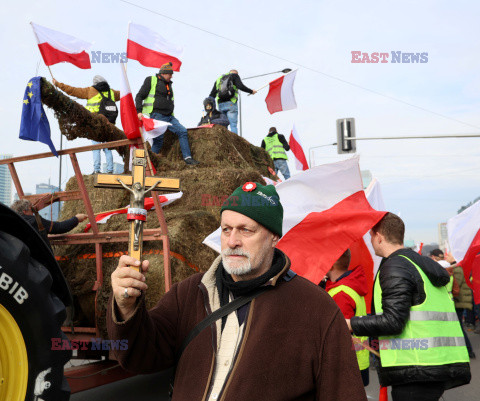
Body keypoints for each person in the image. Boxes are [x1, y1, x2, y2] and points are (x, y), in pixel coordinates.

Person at [107, 182, 367, 401]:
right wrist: (127, 309)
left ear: (274, 236)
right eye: (226, 229)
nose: (232, 241)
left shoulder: (315, 309)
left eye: (246, 230)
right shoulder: (189, 293)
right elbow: (140, 356)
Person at [347, 213, 471, 401]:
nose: (371, 242)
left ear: (379, 236)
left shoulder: (395, 266)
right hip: (435, 362)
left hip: (415, 368)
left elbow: (393, 321)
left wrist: (350, 324)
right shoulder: (419, 263)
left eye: (371, 236)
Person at [321, 249, 369, 386]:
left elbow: (338, 333)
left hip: (346, 363)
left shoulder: (340, 293)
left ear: (331, 266)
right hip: (357, 360)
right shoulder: (349, 287)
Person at [135, 62, 199, 165]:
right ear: (164, 73)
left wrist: (172, 115)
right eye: (170, 74)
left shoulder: (169, 85)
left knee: (182, 131)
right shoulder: (151, 80)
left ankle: (187, 158)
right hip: (157, 116)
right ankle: (148, 164)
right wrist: (139, 111)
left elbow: (171, 102)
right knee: (158, 141)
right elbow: (139, 96)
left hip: (170, 117)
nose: (171, 76)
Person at [53, 75, 119, 174]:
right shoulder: (112, 92)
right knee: (108, 148)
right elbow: (125, 94)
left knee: (96, 149)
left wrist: (58, 84)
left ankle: (97, 170)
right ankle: (110, 170)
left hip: (95, 125)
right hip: (109, 125)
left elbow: (73, 90)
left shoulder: (91, 90)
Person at [10, 199, 87, 249]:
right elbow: (60, 227)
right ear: (24, 211)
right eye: (31, 209)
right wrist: (76, 219)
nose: (33, 212)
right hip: (40, 261)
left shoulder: (12, 225)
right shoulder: (35, 221)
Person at [209, 70, 257, 134]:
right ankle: (235, 143)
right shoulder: (234, 76)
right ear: (236, 73)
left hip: (220, 105)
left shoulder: (219, 79)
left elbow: (212, 95)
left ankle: (224, 141)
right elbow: (240, 86)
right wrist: (251, 91)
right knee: (233, 125)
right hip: (231, 103)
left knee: (223, 125)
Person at [453, 264, 476, 358]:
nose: (447, 256)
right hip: (459, 302)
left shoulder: (457, 268)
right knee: (458, 328)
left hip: (458, 302)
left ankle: (469, 350)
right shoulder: (457, 268)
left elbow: (456, 285)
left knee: (459, 328)